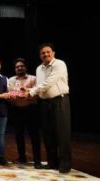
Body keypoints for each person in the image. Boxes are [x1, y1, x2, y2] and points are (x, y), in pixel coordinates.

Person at [25, 43, 71, 173]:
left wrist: (31, 92)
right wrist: (29, 90)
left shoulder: (59, 64)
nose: (45, 54)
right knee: (48, 134)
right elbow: (41, 85)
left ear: (53, 53)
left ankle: (65, 164)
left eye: (48, 52)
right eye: (42, 53)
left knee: (62, 133)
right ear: (40, 55)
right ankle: (52, 162)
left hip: (60, 101)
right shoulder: (39, 68)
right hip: (45, 103)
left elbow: (49, 81)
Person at [8, 58, 42, 169]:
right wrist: (13, 95)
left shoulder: (33, 78)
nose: (19, 68)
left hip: (31, 109)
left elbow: (38, 94)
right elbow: (10, 93)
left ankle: (37, 160)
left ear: (25, 67)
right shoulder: (11, 80)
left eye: (21, 66)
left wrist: (27, 92)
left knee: (34, 135)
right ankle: (22, 158)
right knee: (19, 135)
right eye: (17, 67)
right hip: (17, 110)